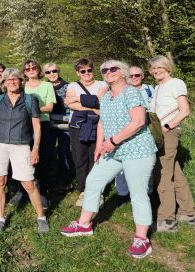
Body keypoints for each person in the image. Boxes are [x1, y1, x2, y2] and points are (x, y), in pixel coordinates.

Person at [61, 60, 157, 260]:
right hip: (113, 150)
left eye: (113, 69)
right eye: (104, 70)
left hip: (137, 150)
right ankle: (84, 225)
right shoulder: (106, 96)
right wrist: (99, 146)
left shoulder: (131, 92)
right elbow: (102, 123)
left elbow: (139, 121)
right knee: (93, 180)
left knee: (138, 193)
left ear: (123, 72)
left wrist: (112, 141)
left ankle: (142, 239)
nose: (108, 72)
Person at [0, 68, 49, 233]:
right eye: (8, 79)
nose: (12, 82)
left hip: (21, 144)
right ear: (4, 83)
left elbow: (37, 126)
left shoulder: (30, 99)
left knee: (28, 182)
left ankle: (41, 217)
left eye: (15, 79)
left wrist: (35, 148)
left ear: (21, 81)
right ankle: (0, 218)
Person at [149, 55, 195, 232]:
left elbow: (185, 110)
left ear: (168, 67)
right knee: (175, 173)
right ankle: (188, 213)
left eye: (159, 67)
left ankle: (167, 219)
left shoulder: (176, 83)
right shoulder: (157, 87)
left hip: (168, 133)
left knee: (162, 174)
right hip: (158, 133)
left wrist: (167, 127)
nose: (156, 71)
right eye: (153, 68)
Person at [64, 58, 107, 206]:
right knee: (80, 157)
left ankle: (97, 190)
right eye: (83, 71)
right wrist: (92, 107)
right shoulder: (72, 85)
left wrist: (77, 98)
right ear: (78, 73)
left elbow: (99, 101)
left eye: (89, 70)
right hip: (78, 125)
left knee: (96, 156)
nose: (87, 73)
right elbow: (69, 103)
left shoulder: (102, 84)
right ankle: (83, 189)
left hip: (97, 125)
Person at [115, 66, 155, 197]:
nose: (134, 78)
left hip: (145, 129)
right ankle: (122, 192)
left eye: (137, 75)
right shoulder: (121, 90)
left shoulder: (149, 89)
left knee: (145, 161)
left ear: (142, 76)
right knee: (122, 160)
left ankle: (147, 191)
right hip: (125, 129)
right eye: (131, 76)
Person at [22, 59, 56, 208]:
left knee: (42, 159)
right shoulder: (22, 86)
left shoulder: (47, 85)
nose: (31, 70)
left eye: (33, 67)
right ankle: (23, 192)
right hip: (24, 125)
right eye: (27, 69)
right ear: (24, 72)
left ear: (38, 69)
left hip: (43, 124)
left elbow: (49, 107)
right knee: (23, 158)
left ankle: (42, 192)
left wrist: (33, 110)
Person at [43, 62, 72, 191]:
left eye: (54, 71)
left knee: (64, 151)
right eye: (48, 72)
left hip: (65, 123)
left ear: (58, 71)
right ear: (45, 74)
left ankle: (64, 180)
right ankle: (49, 179)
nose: (52, 74)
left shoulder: (68, 87)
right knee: (48, 151)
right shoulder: (44, 86)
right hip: (48, 123)